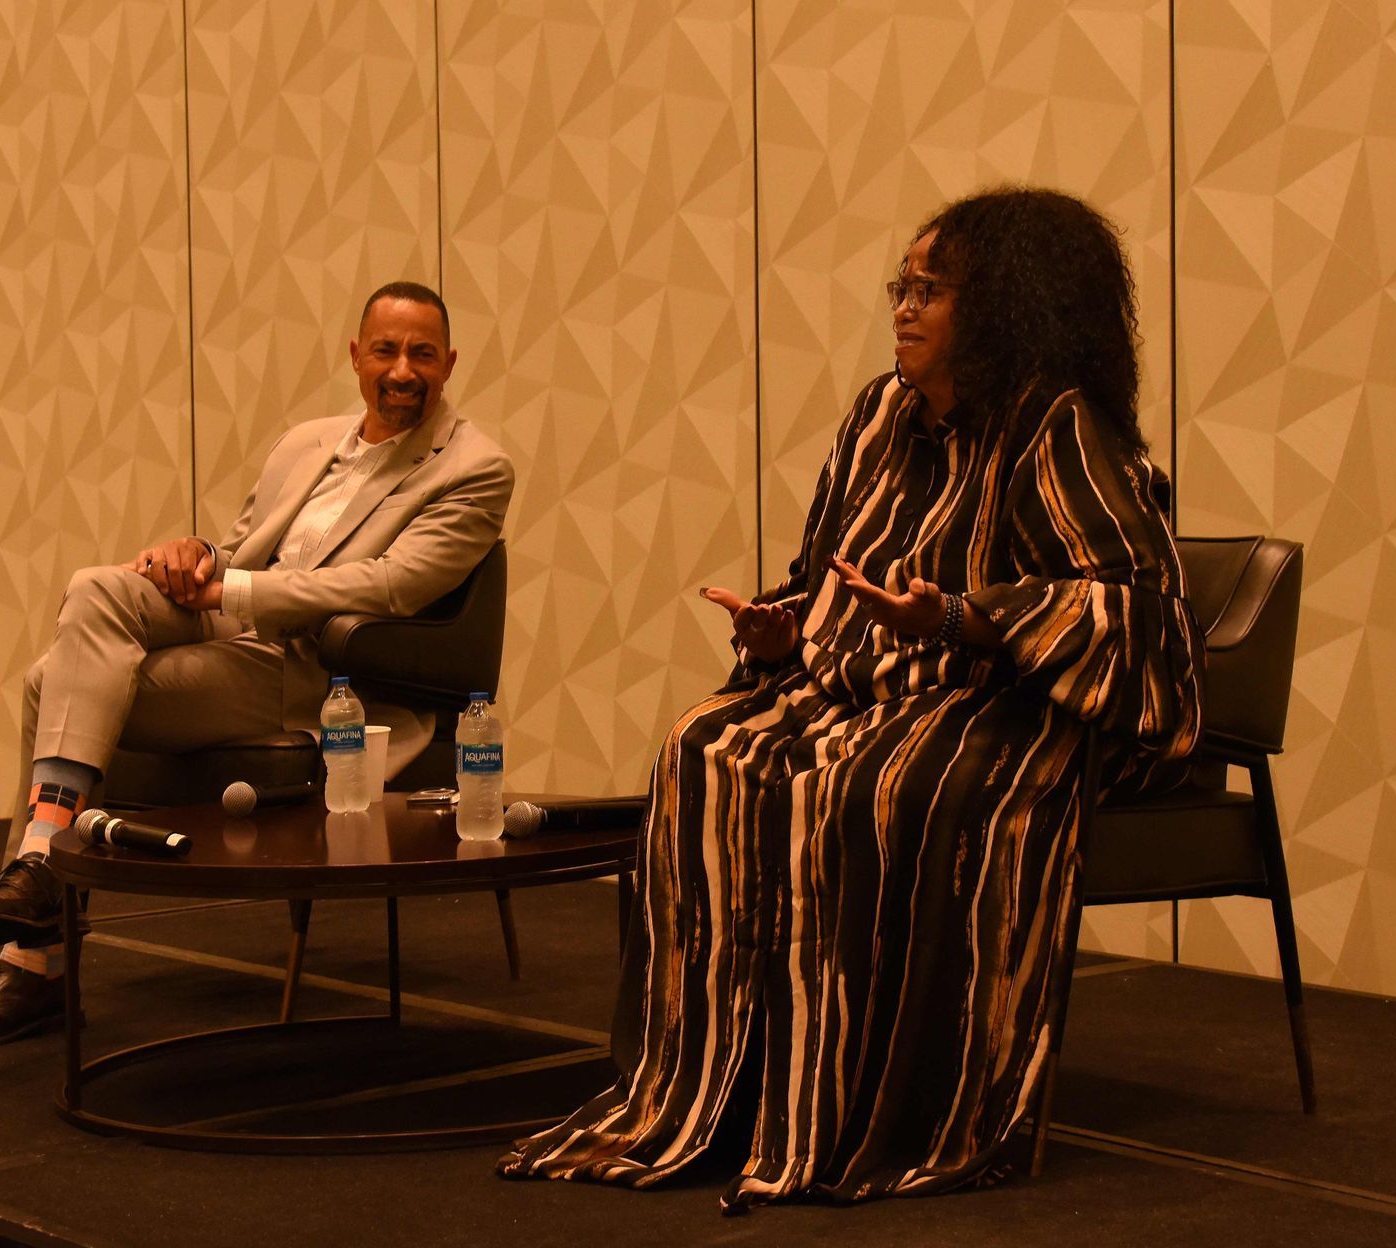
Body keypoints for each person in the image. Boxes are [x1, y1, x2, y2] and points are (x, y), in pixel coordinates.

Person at [498, 188, 1203, 1209]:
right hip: (867, 684)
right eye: (900, 288)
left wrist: (961, 618)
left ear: (1005, 305)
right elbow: (824, 575)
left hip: (1005, 703)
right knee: (706, 749)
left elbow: (1135, 609)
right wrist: (784, 626)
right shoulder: (879, 414)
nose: (904, 309)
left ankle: (872, 1106)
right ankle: (718, 1091)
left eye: (932, 291)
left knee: (876, 784)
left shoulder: (1056, 425)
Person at [0, 280, 514, 1049]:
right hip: (238, 625)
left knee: (51, 685)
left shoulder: (475, 467)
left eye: (422, 353)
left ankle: (33, 951)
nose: (403, 369)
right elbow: (245, 547)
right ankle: (42, 872)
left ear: (449, 362)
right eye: (386, 350)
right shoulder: (307, 442)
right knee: (98, 587)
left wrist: (234, 589)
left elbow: (391, 586)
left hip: (322, 672)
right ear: (356, 356)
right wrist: (198, 555)